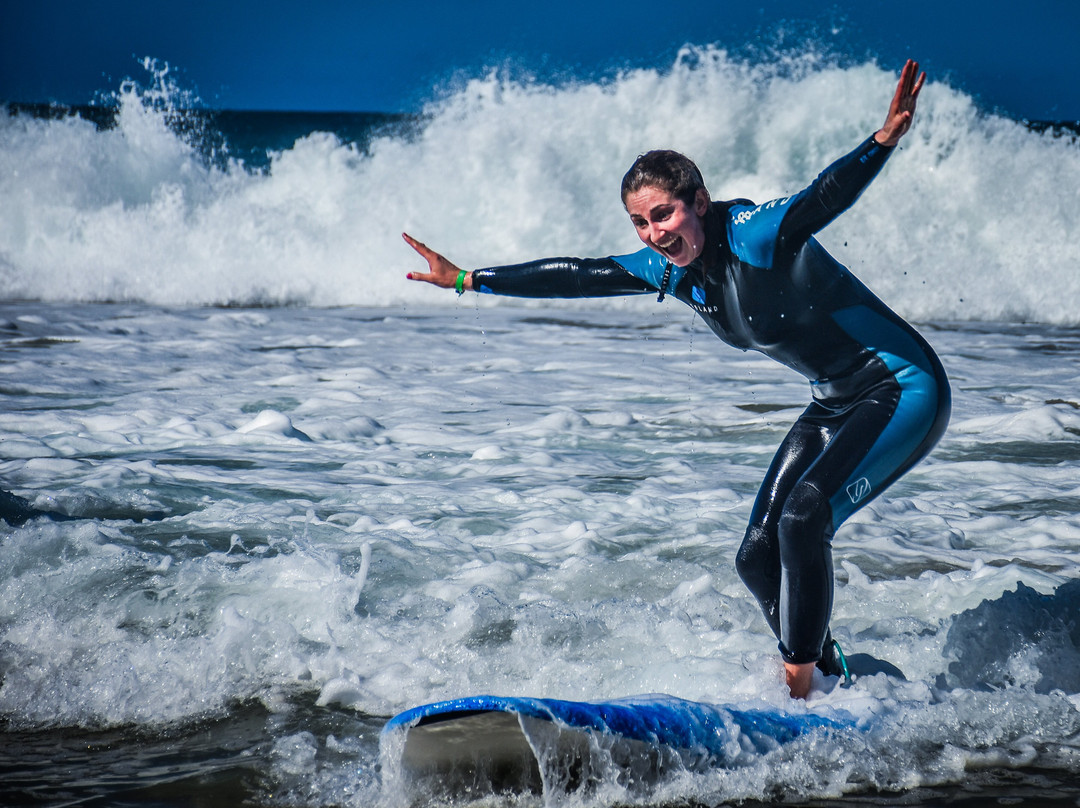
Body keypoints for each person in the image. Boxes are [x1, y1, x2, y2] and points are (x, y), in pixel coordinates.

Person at [403, 60, 950, 699]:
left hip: (901, 388)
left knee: (804, 518)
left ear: (698, 202)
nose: (656, 235)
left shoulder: (757, 233)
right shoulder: (670, 270)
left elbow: (822, 197)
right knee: (755, 557)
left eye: (665, 215)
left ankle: (801, 689)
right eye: (641, 223)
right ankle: (831, 670)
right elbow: (578, 275)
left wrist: (882, 142)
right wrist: (469, 278)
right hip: (833, 402)